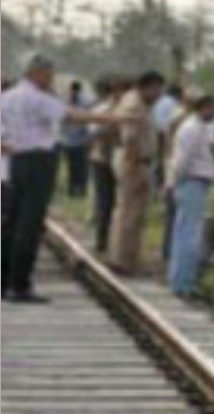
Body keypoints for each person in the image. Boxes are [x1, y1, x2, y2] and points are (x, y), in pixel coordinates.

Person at [2, 54, 129, 300]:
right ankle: (20, 285)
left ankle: (4, 280)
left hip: (17, 160)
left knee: (11, 223)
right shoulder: (38, 98)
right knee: (29, 224)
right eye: (49, 73)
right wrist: (115, 118)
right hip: (38, 161)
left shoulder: (8, 97)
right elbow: (74, 116)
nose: (51, 78)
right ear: (37, 73)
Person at [106, 71, 166, 276]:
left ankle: (129, 259)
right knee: (128, 214)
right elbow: (130, 138)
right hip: (134, 162)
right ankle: (122, 260)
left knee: (134, 214)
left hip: (137, 162)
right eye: (157, 90)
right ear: (148, 87)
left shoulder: (140, 103)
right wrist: (136, 164)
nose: (159, 95)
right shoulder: (134, 105)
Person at [166, 95, 214, 298]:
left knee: (184, 231)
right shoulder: (192, 129)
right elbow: (183, 160)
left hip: (193, 182)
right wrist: (174, 182)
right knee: (190, 234)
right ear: (204, 107)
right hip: (191, 182)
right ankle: (184, 283)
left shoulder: (199, 127)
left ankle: (179, 281)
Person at [88, 76, 123, 252]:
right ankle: (101, 240)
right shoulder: (101, 110)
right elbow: (93, 132)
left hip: (121, 161)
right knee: (105, 201)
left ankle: (115, 242)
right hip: (102, 160)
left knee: (118, 203)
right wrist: (110, 126)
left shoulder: (127, 111)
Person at [59, 80, 93, 198]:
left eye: (75, 90)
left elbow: (89, 121)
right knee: (71, 167)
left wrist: (89, 138)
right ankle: (71, 190)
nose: (73, 93)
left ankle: (82, 190)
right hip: (67, 140)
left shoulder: (85, 103)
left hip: (81, 140)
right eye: (71, 90)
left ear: (78, 91)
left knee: (82, 168)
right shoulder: (63, 102)